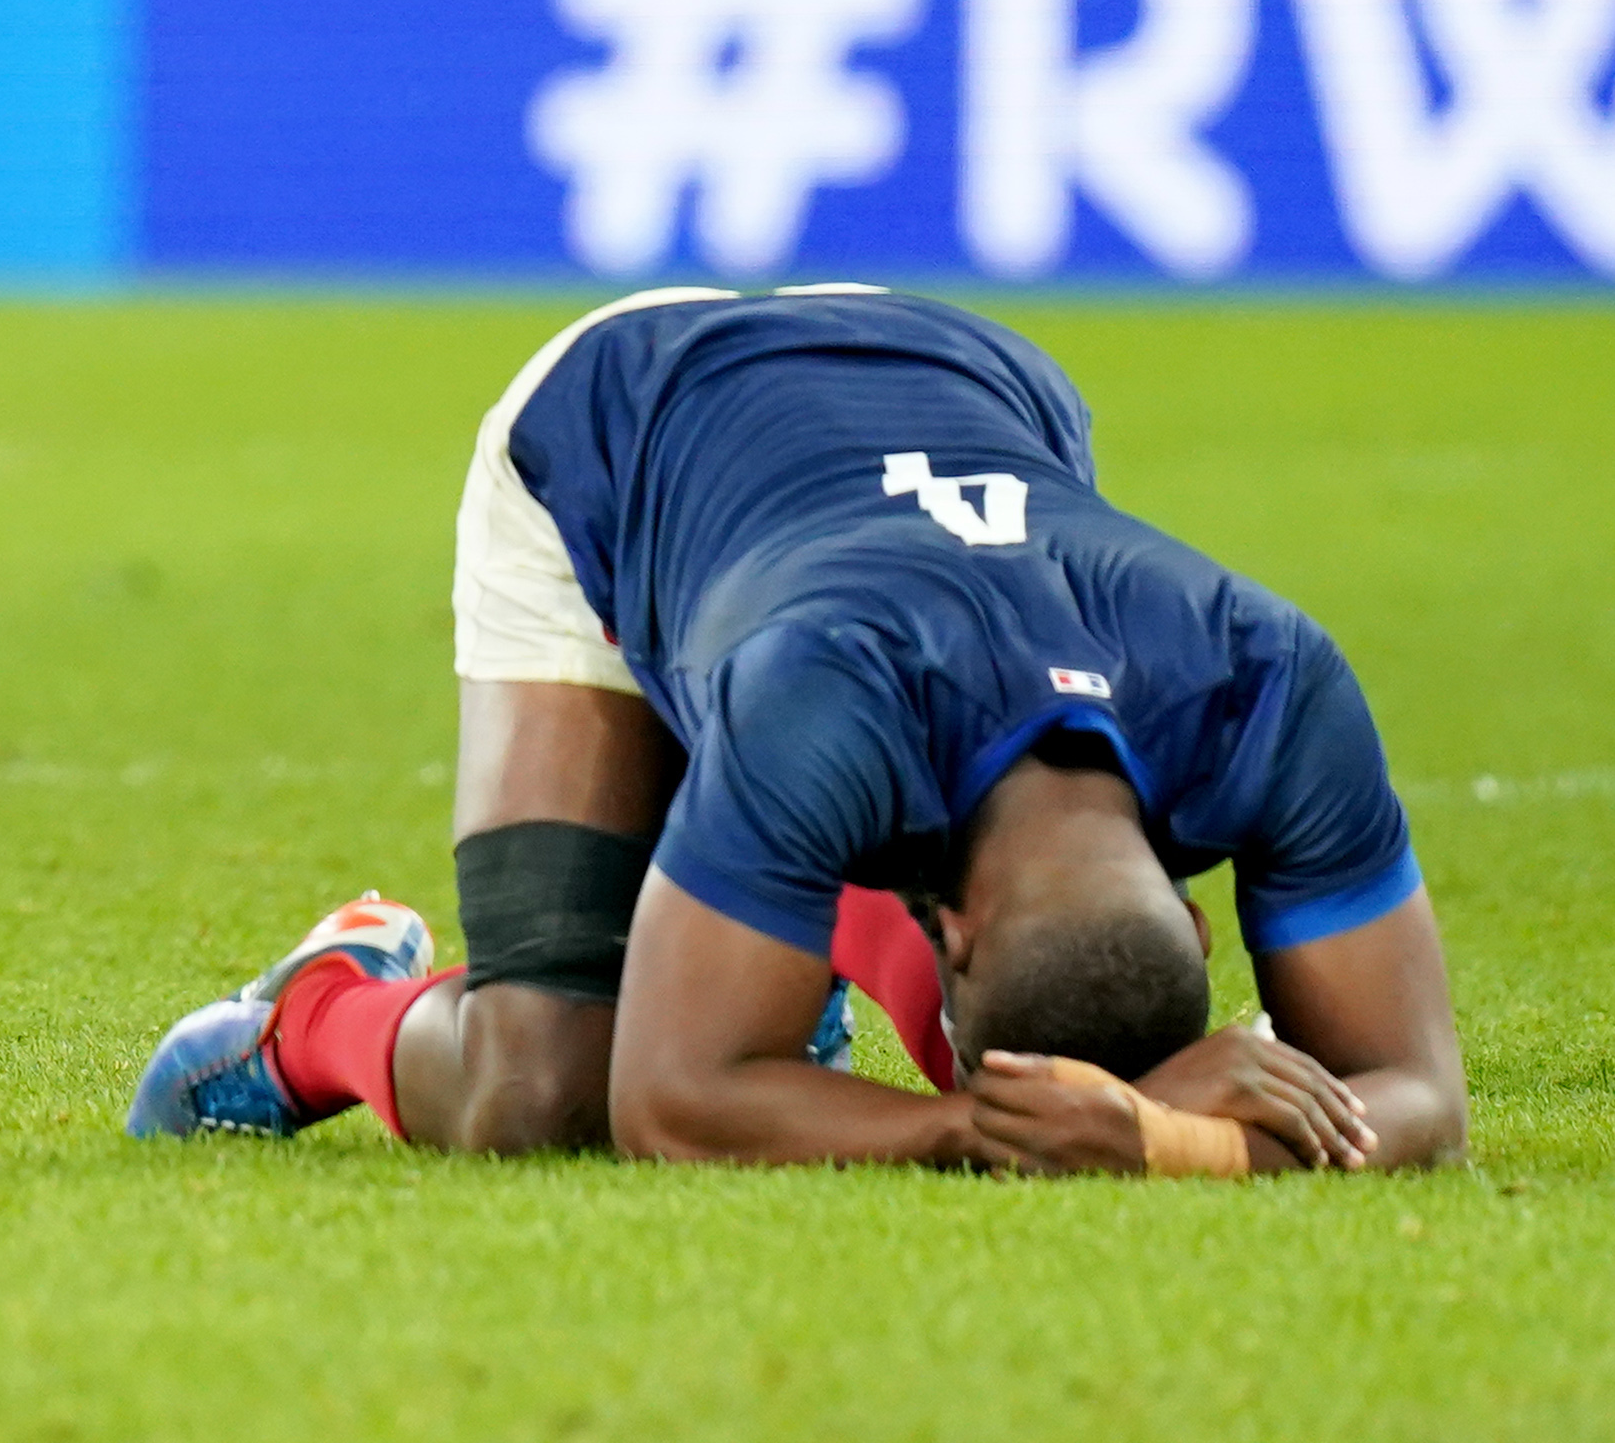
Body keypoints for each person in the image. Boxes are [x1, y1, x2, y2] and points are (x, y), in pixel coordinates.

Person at [131, 287, 1466, 1177]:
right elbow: (666, 1100)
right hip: (628, 417)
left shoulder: (1273, 681)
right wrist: (979, 1126)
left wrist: (1160, 1134)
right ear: (1190, 920)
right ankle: (312, 1015)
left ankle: (770, 937)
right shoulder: (819, 697)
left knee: (1039, 1028)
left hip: (969, 390)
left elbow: (1420, 1092)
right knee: (539, 1094)